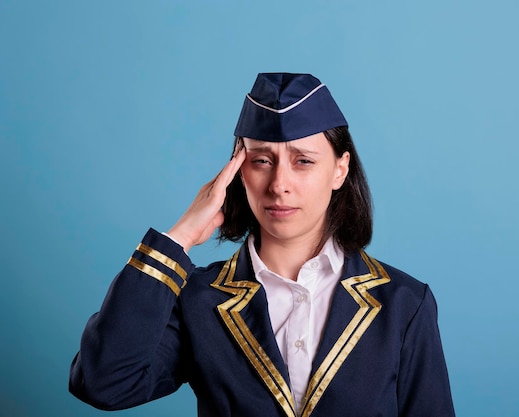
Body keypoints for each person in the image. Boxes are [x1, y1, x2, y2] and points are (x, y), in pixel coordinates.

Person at [69, 73, 456, 417]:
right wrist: (179, 238)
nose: (279, 185)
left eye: (303, 161)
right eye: (261, 161)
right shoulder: (200, 302)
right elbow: (104, 384)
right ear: (237, 172)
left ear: (340, 169)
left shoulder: (404, 303)